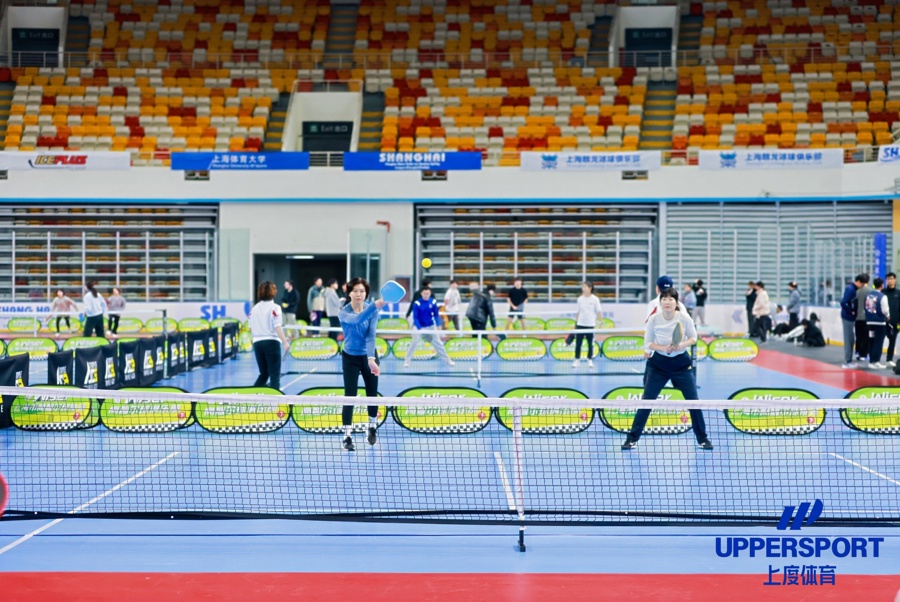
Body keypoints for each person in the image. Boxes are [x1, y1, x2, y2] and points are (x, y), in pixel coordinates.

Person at [621, 287, 713, 451]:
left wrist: (681, 345)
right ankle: (632, 439)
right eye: (664, 299)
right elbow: (649, 343)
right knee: (646, 402)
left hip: (681, 365)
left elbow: (693, 338)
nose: (667, 302)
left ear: (676, 302)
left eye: (671, 299)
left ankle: (703, 439)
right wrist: (663, 348)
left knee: (693, 401)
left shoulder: (684, 318)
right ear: (660, 302)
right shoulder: (654, 319)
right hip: (658, 365)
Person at [338, 277, 386, 451]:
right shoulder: (343, 312)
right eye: (355, 291)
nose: (359, 294)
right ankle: (347, 436)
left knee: (372, 394)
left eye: (362, 291)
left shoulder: (373, 311)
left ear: (366, 293)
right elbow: (357, 320)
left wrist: (371, 359)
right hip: (350, 357)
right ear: (349, 293)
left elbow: (371, 336)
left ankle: (372, 427)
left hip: (369, 356)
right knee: (349, 396)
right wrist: (374, 305)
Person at [248, 281, 290, 390]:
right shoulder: (275, 308)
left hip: (257, 344)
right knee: (274, 376)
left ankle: (250, 396)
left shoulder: (254, 309)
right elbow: (277, 326)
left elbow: (250, 328)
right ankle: (275, 400)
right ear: (273, 292)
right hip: (271, 343)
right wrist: (285, 342)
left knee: (264, 374)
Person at [405, 287, 455, 368]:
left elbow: (436, 315)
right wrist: (419, 327)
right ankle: (407, 361)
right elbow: (415, 318)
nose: (426, 295)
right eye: (425, 293)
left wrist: (438, 325)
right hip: (419, 327)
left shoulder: (433, 302)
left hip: (431, 326)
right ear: (421, 294)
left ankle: (448, 360)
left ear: (430, 293)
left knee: (438, 343)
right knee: (414, 343)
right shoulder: (417, 303)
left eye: (428, 293)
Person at [573, 281, 602, 369]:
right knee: (578, 343)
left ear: (590, 288)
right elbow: (578, 312)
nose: (583, 289)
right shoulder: (579, 299)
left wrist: (600, 322)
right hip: (580, 324)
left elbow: (599, 311)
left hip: (590, 325)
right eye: (582, 287)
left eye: (585, 287)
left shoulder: (595, 299)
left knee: (590, 344)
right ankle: (577, 360)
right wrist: (576, 323)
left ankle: (589, 360)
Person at [840, 275, 866, 369]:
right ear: (858, 281)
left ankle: (849, 360)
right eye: (862, 284)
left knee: (851, 339)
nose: (862, 286)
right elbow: (843, 302)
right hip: (847, 317)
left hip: (850, 318)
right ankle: (847, 361)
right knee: (849, 339)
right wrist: (851, 310)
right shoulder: (850, 289)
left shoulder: (853, 289)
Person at [865, 277, 890, 369]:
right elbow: (885, 310)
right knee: (878, 342)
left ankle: (871, 361)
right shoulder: (882, 296)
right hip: (879, 323)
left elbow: (866, 307)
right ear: (882, 285)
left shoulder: (868, 295)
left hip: (869, 322)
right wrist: (888, 316)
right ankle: (876, 361)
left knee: (871, 340)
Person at [854, 273, 871, 362]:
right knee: (865, 337)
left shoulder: (857, 291)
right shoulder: (870, 291)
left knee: (858, 336)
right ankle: (863, 354)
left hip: (857, 317)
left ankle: (857, 352)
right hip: (866, 318)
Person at [884, 272, 899, 368]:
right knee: (878, 340)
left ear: (895, 280)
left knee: (892, 341)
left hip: (894, 322)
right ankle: (875, 360)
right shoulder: (883, 292)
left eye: (891, 279)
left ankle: (889, 359)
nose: (890, 281)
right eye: (888, 279)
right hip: (883, 321)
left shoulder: (898, 293)